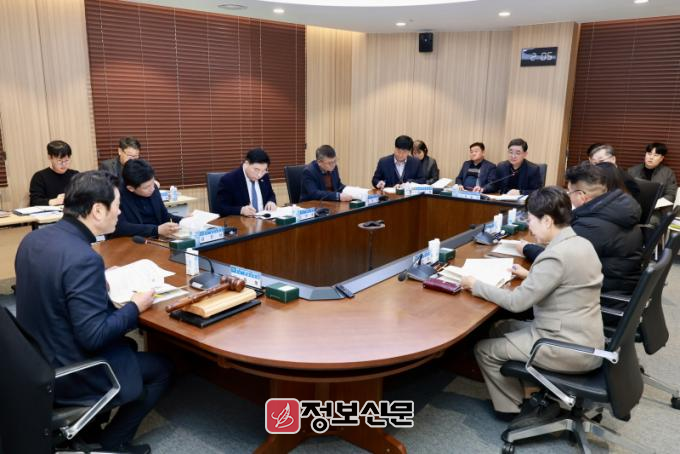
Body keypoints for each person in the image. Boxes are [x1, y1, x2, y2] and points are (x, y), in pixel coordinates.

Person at [15, 171, 172, 453]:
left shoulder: (34, 240)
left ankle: (89, 430)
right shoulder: (83, 258)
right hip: (71, 370)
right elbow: (94, 336)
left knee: (128, 346)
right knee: (162, 368)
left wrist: (98, 281)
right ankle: (113, 443)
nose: (120, 212)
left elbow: (55, 287)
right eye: (118, 205)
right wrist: (136, 306)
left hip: (37, 359)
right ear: (98, 210)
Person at [463, 186, 604, 427]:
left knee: (484, 350)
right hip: (586, 337)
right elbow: (566, 284)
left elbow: (517, 303)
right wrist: (531, 276)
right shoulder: (582, 243)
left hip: (564, 345)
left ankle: (513, 409)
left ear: (547, 220)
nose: (529, 228)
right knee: (499, 327)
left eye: (531, 220)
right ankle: (532, 390)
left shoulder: (555, 255)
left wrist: (475, 285)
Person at [518, 163, 642, 298]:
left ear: (581, 196)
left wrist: (527, 248)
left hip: (602, 297)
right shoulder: (616, 208)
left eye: (569, 192)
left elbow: (557, 261)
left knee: (521, 296)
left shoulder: (591, 226)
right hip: (618, 286)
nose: (568, 196)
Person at [112, 159, 181, 238]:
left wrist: (183, 220)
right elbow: (120, 227)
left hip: (155, 240)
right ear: (131, 188)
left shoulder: (153, 188)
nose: (152, 189)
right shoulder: (117, 195)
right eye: (146, 187)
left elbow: (164, 216)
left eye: (153, 183)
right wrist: (156, 230)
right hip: (130, 241)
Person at [215, 148, 277, 216]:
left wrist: (271, 201)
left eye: (263, 170)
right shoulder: (229, 180)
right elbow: (221, 208)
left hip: (265, 219)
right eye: (256, 170)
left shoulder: (264, 176)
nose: (259, 175)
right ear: (247, 163)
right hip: (242, 221)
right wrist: (241, 210)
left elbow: (271, 194)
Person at [29, 140, 79, 206]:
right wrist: (55, 201)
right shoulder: (40, 177)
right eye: (59, 161)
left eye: (66, 160)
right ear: (50, 157)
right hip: (51, 212)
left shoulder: (75, 175)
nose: (64, 164)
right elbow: (34, 201)